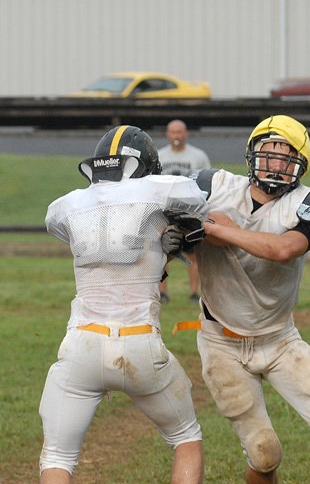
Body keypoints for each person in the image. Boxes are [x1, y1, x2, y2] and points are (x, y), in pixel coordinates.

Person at [169, 115, 310, 484]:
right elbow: (165, 211)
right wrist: (179, 235)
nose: (276, 163)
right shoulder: (213, 185)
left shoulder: (308, 202)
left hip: (280, 339)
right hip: (221, 343)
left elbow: (283, 250)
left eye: (286, 155)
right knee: (264, 452)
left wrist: (222, 230)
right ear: (252, 154)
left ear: (300, 164)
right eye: (269, 151)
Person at [39, 125, 208, 484]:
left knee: (57, 456)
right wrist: (163, 237)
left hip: (81, 343)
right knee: (186, 438)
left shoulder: (67, 204)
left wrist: (154, 242)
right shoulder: (158, 191)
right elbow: (195, 199)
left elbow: (61, 221)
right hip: (139, 342)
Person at [158, 119, 211, 303]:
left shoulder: (198, 156)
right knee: (161, 254)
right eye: (173, 132)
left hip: (190, 213)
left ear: (185, 133)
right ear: (167, 134)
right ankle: (162, 293)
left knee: (193, 254)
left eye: (179, 132)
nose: (176, 136)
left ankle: (194, 293)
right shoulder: (160, 156)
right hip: (165, 212)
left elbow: (207, 182)